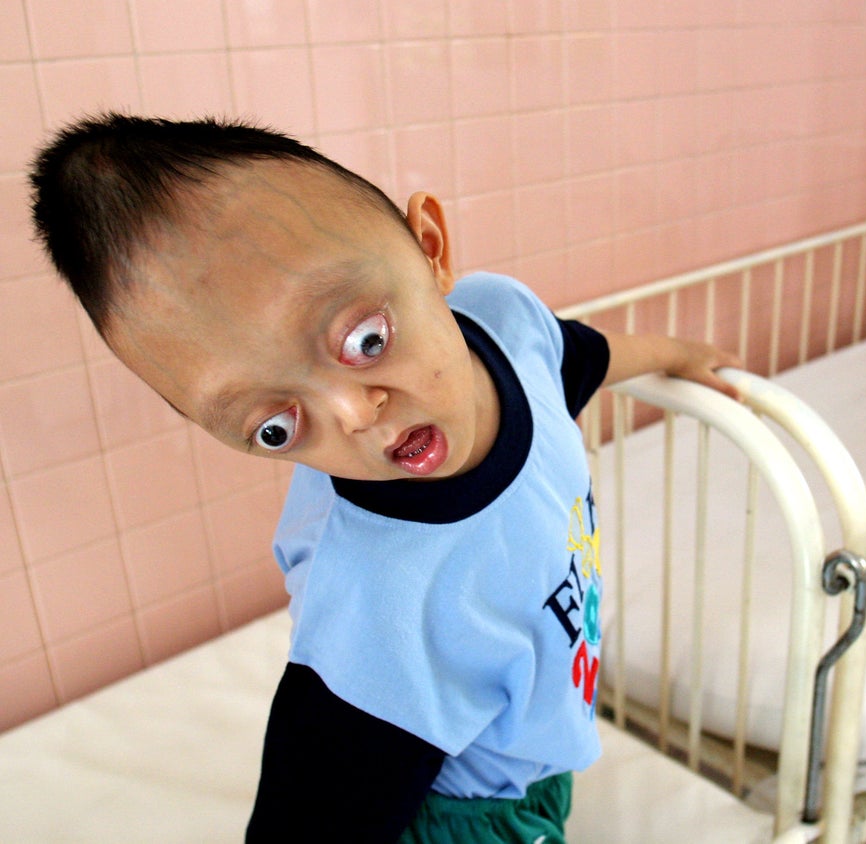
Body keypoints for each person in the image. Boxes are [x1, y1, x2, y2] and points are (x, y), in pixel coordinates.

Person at [29, 113, 741, 843]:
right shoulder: (378, 603)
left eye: (366, 339)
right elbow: (312, 812)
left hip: (530, 740)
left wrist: (675, 352)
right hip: (466, 811)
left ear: (429, 249)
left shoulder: (502, 320)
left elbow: (574, 356)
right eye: (277, 425)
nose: (354, 415)